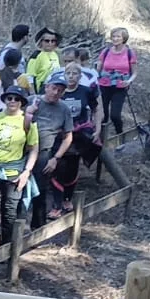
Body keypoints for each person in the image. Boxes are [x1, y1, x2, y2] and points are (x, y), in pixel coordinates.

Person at [0, 87, 40, 248]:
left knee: (10, 210)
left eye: (16, 98)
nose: (12, 101)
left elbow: (34, 148)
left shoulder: (27, 121)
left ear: (22, 102)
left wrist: (27, 172)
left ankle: (7, 247)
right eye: (9, 98)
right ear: (5, 100)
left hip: (14, 170)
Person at [46, 63, 102, 219]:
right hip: (59, 134)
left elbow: (96, 108)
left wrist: (97, 128)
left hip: (78, 136)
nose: (71, 76)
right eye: (68, 73)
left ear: (80, 76)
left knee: (72, 168)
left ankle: (67, 199)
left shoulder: (86, 92)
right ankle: (56, 205)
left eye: (75, 73)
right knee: (56, 166)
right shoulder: (58, 92)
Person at [27, 72, 75, 228]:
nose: (56, 93)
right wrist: (28, 113)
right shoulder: (32, 101)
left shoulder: (64, 109)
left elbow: (68, 137)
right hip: (23, 151)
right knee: (17, 191)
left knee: (40, 191)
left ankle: (37, 228)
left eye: (60, 90)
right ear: (47, 87)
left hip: (44, 154)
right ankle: (14, 228)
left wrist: (56, 158)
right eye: (54, 88)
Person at [97, 27, 137, 144]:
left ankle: (120, 136)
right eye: (113, 36)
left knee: (115, 115)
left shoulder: (129, 53)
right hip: (104, 86)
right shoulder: (106, 52)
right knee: (103, 115)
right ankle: (100, 140)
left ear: (124, 38)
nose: (115, 39)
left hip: (120, 87)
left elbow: (134, 72)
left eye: (118, 36)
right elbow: (98, 68)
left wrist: (129, 81)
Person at [0, 48, 33, 115]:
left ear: (4, 60)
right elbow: (27, 95)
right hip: (13, 111)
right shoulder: (23, 78)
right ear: (18, 62)